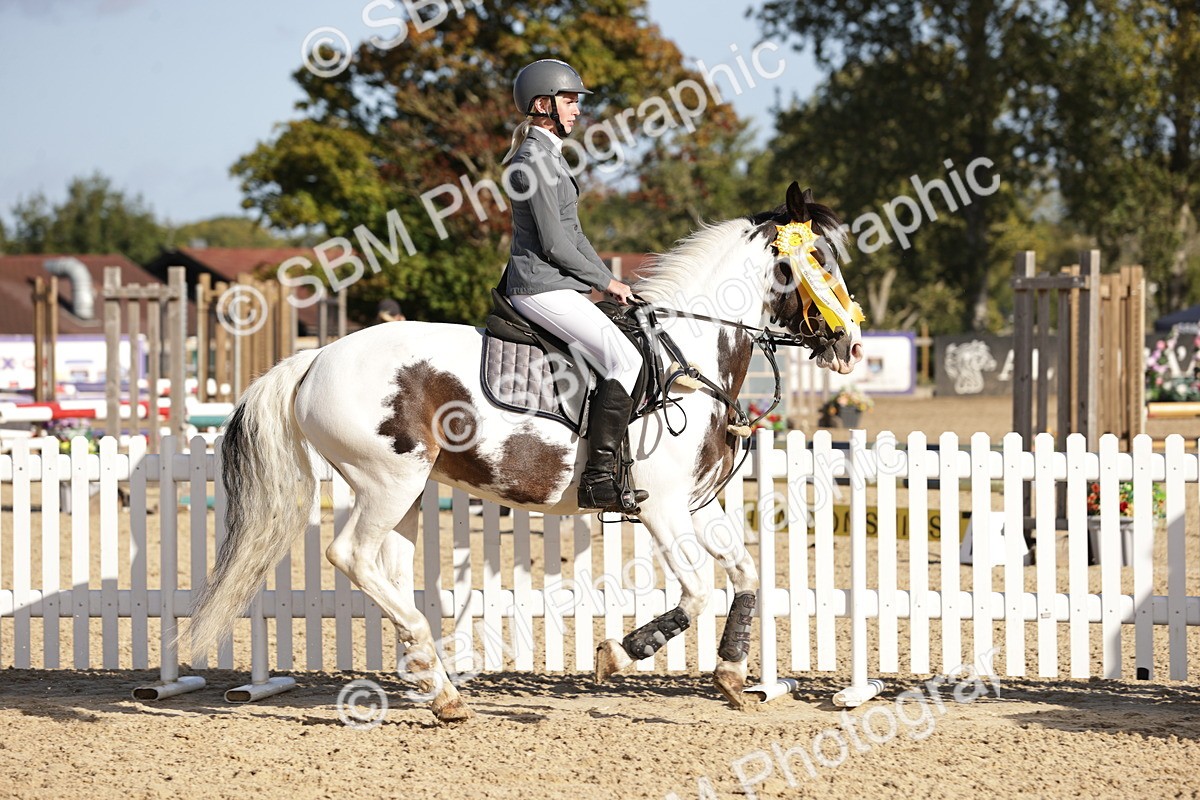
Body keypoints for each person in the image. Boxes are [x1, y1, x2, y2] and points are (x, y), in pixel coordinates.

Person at [500, 58, 646, 513]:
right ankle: (598, 480)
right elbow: (555, 244)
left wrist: (610, 281)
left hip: (557, 284)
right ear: (542, 105)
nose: (577, 109)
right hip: (538, 286)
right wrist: (603, 280)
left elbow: (576, 236)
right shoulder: (532, 161)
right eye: (569, 100)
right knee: (625, 359)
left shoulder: (550, 157)